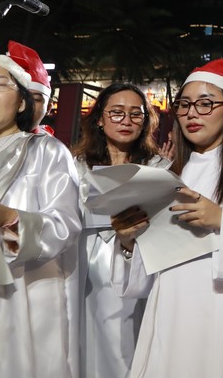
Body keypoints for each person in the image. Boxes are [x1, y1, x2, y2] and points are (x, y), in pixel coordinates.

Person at [111, 58, 223, 377]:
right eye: (184, 105)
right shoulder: (165, 175)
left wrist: (221, 218)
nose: (192, 113)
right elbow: (148, 268)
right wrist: (128, 241)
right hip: (174, 306)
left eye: (205, 104)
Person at [72, 82, 169, 378]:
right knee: (85, 342)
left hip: (141, 266)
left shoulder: (161, 168)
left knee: (132, 342)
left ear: (146, 122)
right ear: (99, 118)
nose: (126, 121)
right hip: (84, 266)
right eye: (116, 113)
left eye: (135, 114)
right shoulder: (75, 167)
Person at [0, 54, 81, 378]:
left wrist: (8, 219)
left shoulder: (46, 151)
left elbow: (66, 224)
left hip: (19, 294)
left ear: (21, 102)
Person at [7, 40, 54, 134]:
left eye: (35, 98)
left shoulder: (49, 147)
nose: (24, 105)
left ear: (48, 107)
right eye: (18, 97)